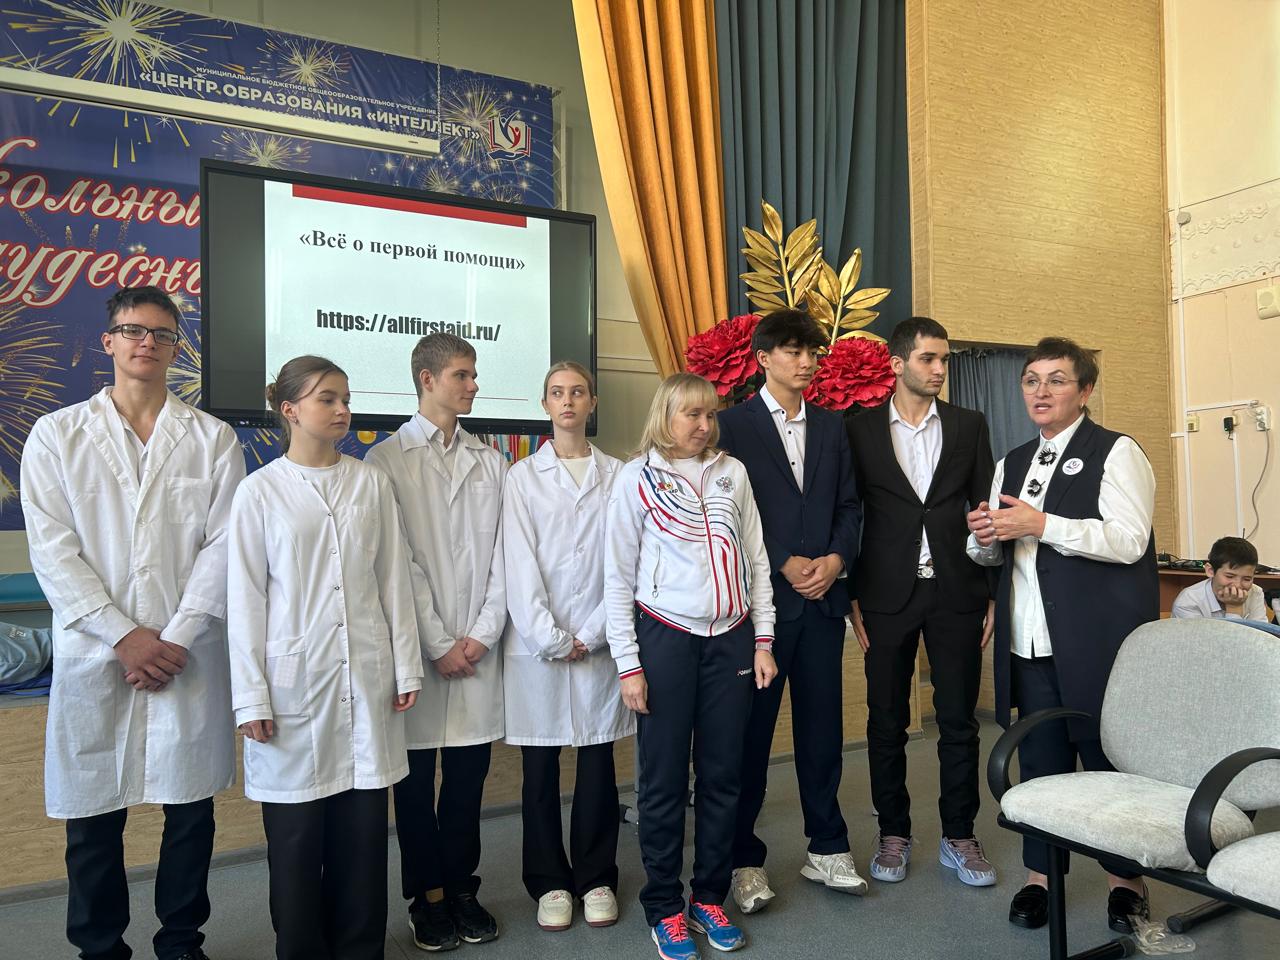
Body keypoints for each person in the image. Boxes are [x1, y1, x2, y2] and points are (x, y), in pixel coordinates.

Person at [20, 285, 245, 960]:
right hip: (98, 652)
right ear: (109, 341)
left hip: (185, 650)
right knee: (93, 817)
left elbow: (224, 546)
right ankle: (99, 947)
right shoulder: (58, 434)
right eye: (133, 330)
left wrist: (173, 637)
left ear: (177, 348)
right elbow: (52, 550)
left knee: (190, 814)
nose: (148, 342)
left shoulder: (211, 439)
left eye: (162, 334)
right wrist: (123, 635)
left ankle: (181, 942)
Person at [227, 355, 423, 960]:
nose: (342, 411)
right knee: (294, 845)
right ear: (289, 410)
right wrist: (251, 697)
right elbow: (245, 600)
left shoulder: (369, 483)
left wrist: (406, 665)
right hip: (293, 686)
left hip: (365, 677)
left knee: (362, 843)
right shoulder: (259, 492)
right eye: (327, 399)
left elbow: (394, 581)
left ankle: (361, 949)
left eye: (345, 399)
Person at [966, 336, 1158, 934]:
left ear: (1085, 390)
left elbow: (1129, 540)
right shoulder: (1012, 461)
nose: (1041, 391)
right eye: (1031, 381)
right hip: (1028, 641)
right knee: (1041, 765)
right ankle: (1040, 878)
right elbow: (997, 553)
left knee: (1106, 760)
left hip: (1095, 640)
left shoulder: (1117, 450)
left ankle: (1126, 883)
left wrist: (1042, 523)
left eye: (1057, 380)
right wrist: (983, 537)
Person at [605, 372, 779, 960]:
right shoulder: (637, 477)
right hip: (665, 637)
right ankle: (663, 906)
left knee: (723, 776)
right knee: (661, 783)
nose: (704, 425)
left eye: (710, 414)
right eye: (691, 415)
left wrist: (762, 640)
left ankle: (708, 897)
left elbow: (756, 558)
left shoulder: (733, 473)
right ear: (665, 416)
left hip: (731, 640)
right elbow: (616, 577)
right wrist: (629, 664)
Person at [715, 310, 865, 912]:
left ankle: (828, 847)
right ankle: (743, 859)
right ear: (763, 358)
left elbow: (850, 506)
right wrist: (782, 561)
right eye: (792, 351)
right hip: (760, 611)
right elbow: (727, 511)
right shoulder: (731, 425)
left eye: (812, 352)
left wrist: (835, 559)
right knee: (749, 740)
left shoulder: (832, 426)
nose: (806, 362)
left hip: (823, 604)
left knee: (823, 733)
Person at [846, 316, 998, 889]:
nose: (939, 369)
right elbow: (849, 514)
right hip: (884, 595)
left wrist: (992, 590)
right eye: (928, 359)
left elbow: (986, 513)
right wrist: (850, 595)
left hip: (957, 592)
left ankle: (960, 835)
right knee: (886, 720)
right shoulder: (858, 430)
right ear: (897, 364)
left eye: (944, 360)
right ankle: (894, 832)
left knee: (958, 720)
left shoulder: (968, 425)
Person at [366, 333, 507, 949]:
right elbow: (396, 563)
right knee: (415, 789)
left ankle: (463, 889)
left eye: (473, 375)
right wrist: (438, 642)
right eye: (462, 375)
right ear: (427, 379)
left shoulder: (492, 462)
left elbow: (506, 557)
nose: (473, 385)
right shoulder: (385, 462)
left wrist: (481, 633)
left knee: (468, 784)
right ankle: (427, 898)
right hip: (419, 653)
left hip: (478, 649)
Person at [502, 361, 634, 933]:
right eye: (557, 393)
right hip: (539, 648)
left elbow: (625, 560)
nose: (568, 401)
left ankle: (596, 876)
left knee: (598, 767)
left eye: (578, 392)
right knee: (539, 772)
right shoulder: (521, 478)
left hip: (600, 642)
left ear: (592, 402)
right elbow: (518, 564)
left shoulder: (620, 475)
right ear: (545, 404)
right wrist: (553, 638)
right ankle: (549, 882)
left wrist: (595, 632)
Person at [1171, 536, 1268, 621]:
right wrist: (1233, 608)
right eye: (1229, 576)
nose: (1238, 585)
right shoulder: (1188, 601)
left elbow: (1261, 635)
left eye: (1247, 579)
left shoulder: (1255, 593)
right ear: (1210, 571)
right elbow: (1209, 638)